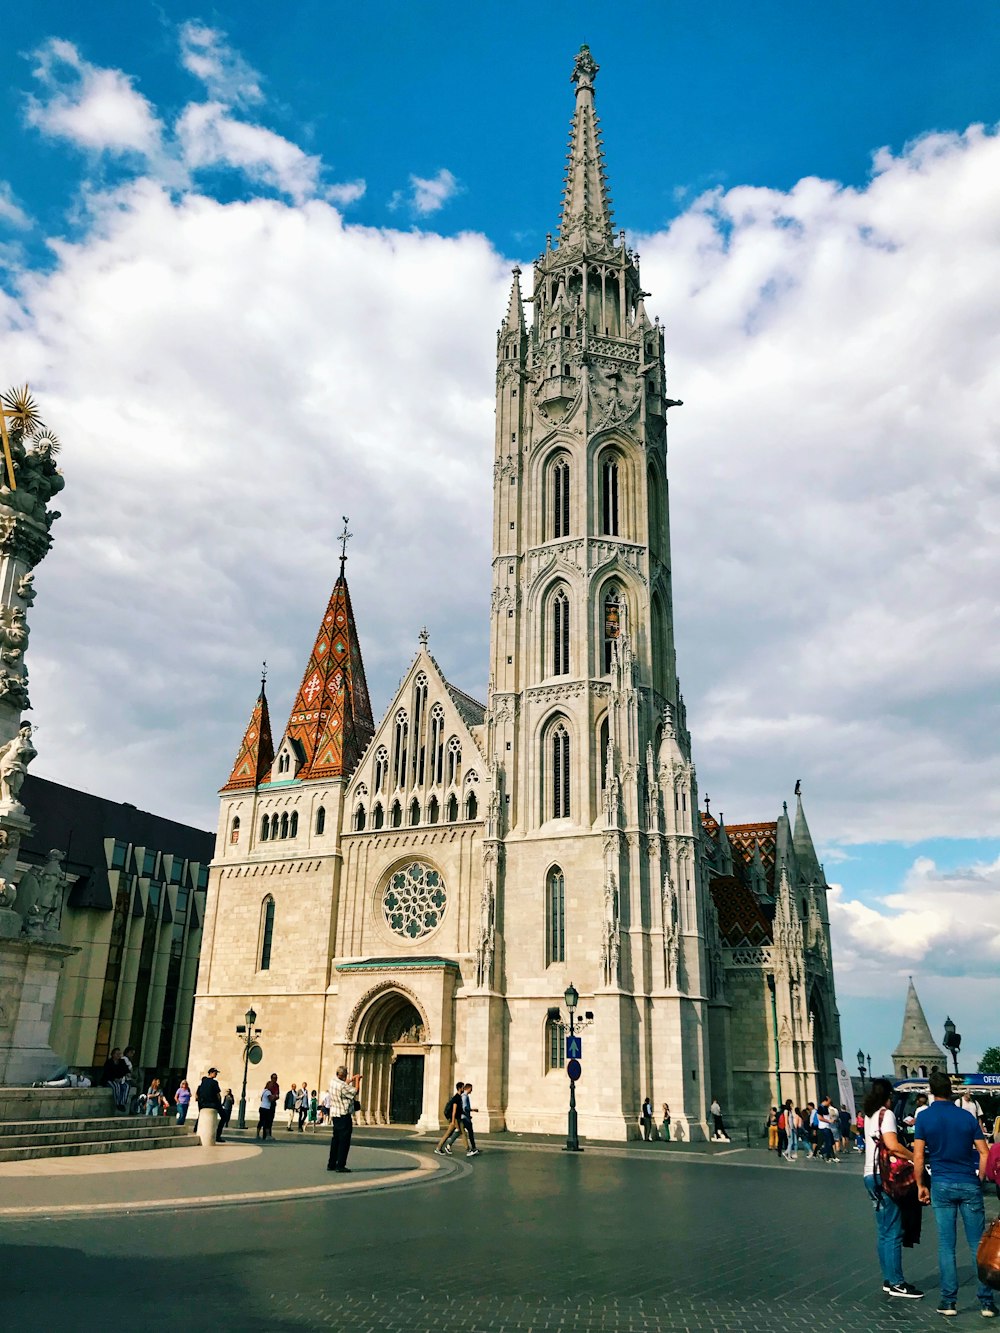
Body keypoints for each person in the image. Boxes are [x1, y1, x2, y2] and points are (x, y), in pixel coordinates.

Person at [913, 1069, 996, 1317]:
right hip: (968, 1183)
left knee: (946, 1245)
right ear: (950, 1091)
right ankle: (986, 1302)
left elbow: (918, 1156)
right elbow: (984, 1152)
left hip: (941, 1183)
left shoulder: (924, 1118)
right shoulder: (966, 1117)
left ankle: (949, 1301)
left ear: (930, 1091)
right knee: (976, 1244)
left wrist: (921, 1185)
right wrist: (980, 1178)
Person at [862, 1078, 924, 1300]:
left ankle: (889, 1279)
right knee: (894, 1231)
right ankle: (897, 1282)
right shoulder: (885, 1114)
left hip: (870, 1174)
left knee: (884, 1230)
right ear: (888, 1097)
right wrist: (916, 1157)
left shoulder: (870, 1115)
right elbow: (892, 1146)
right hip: (885, 1176)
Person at [326, 1065, 362, 1172]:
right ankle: (340, 1165)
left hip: (335, 1115)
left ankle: (331, 1163)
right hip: (344, 1116)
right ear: (344, 1075)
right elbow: (355, 1091)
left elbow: (343, 1085)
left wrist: (350, 1080)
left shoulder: (332, 1081)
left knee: (335, 1140)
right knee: (344, 1141)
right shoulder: (343, 1086)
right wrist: (357, 1080)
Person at [196, 1066, 225, 1142]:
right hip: (213, 1104)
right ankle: (218, 1135)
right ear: (211, 1073)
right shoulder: (214, 1082)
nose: (216, 1075)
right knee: (224, 1116)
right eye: (215, 1073)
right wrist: (220, 1103)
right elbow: (218, 1095)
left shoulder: (203, 1082)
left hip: (203, 1104)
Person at [435, 1083, 465, 1155]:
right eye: (463, 1087)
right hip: (455, 1120)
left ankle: (443, 1147)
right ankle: (441, 1147)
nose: (464, 1089)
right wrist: (453, 1121)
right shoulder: (456, 1098)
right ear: (460, 1088)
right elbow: (454, 1111)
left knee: (450, 1133)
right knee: (453, 1133)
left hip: (456, 1119)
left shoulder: (458, 1097)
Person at [103, 1047, 131, 1112]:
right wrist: (114, 1079)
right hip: (110, 1079)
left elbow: (126, 1070)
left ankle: (122, 1103)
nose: (118, 1055)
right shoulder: (109, 1062)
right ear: (113, 1054)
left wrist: (128, 1074)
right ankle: (117, 1103)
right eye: (117, 1054)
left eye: (119, 1054)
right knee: (116, 1086)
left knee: (126, 1086)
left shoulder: (122, 1062)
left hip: (120, 1080)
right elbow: (107, 1073)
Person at [461, 1083, 480, 1157]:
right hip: (465, 1118)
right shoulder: (465, 1097)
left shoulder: (464, 1096)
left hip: (465, 1117)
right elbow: (465, 1108)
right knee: (469, 1133)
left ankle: (473, 1148)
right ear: (468, 1089)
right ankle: (473, 1148)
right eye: (471, 1089)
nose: (471, 1091)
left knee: (460, 1132)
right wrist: (473, 1110)